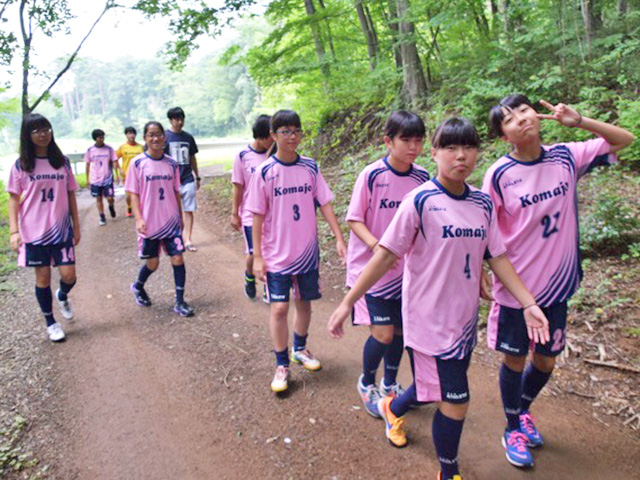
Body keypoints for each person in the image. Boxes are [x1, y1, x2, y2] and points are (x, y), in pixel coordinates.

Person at [328, 117, 550, 480]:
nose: (460, 156)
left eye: (468, 147)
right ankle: (449, 473)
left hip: (462, 320)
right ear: (435, 154)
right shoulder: (421, 200)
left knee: (435, 389)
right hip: (426, 321)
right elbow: (384, 254)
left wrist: (528, 303)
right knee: (457, 400)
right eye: (450, 148)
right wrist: (348, 302)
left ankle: (391, 406)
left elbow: (497, 257)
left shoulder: (481, 203)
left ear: (478, 152)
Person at [483, 95, 634, 469]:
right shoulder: (499, 174)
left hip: (558, 287)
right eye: (509, 119)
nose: (520, 119)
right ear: (504, 137)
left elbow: (624, 139)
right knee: (515, 359)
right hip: (518, 290)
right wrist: (477, 277)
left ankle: (523, 410)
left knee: (547, 361)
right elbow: (485, 234)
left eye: (523, 110)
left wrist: (581, 120)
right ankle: (512, 427)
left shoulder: (567, 156)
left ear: (534, 114)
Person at [246, 109, 347, 393]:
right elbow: (256, 215)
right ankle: (281, 364)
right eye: (285, 131)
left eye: (296, 131)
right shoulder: (264, 171)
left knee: (304, 303)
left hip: (306, 253)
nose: (292, 137)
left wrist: (339, 237)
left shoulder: (310, 168)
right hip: (276, 254)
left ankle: (299, 349)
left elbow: (325, 203)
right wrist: (257, 256)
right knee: (279, 307)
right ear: (273, 136)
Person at [346, 111, 430, 416]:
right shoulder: (371, 175)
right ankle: (367, 381)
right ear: (388, 141)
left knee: (400, 332)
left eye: (418, 140)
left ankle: (390, 382)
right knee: (382, 333)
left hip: (406, 272)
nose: (412, 147)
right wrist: (379, 248)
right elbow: (355, 219)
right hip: (372, 270)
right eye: (405, 140)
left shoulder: (423, 178)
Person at [7, 114, 81, 342]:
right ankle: (51, 322)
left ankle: (62, 295)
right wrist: (14, 231)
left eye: (46, 129)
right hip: (34, 232)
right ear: (27, 135)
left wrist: (76, 226)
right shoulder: (21, 165)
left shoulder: (62, 162)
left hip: (61, 230)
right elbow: (13, 198)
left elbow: (70, 195)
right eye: (37, 130)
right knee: (43, 278)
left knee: (69, 275)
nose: (43, 134)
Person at [126, 121, 194, 318]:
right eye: (150, 135)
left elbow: (176, 192)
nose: (155, 138)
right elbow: (134, 194)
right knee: (152, 263)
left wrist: (180, 217)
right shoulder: (138, 163)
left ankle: (180, 302)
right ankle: (138, 286)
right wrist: (138, 219)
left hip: (170, 221)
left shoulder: (172, 164)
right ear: (145, 139)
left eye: (158, 134)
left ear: (164, 137)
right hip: (149, 223)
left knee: (178, 258)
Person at [230, 114, 274, 300]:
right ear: (262, 136)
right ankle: (250, 275)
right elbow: (238, 186)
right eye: (271, 136)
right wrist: (234, 213)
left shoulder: (275, 154)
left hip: (271, 214)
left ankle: (268, 286)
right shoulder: (243, 156)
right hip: (249, 214)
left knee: (270, 251)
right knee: (253, 253)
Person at [164, 107, 200, 252]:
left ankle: (188, 239)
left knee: (189, 210)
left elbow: (192, 158)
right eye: (176, 119)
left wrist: (197, 176)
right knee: (173, 211)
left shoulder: (188, 138)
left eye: (181, 119)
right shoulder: (165, 137)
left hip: (187, 178)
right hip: (170, 181)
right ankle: (175, 236)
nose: (179, 122)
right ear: (171, 120)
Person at [116, 126, 144, 217]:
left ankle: (140, 210)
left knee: (140, 193)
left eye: (132, 133)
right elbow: (115, 159)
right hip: (127, 174)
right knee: (128, 195)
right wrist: (119, 169)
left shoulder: (141, 147)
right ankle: (129, 206)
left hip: (140, 174)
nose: (131, 135)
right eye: (129, 133)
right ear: (126, 135)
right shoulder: (123, 147)